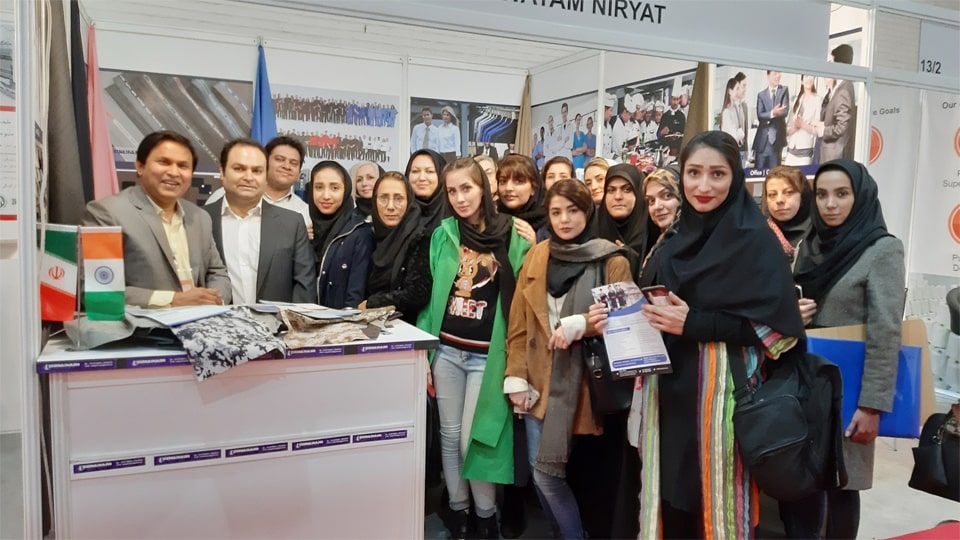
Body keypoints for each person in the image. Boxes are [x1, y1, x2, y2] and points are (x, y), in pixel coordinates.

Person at [625, 131, 805, 538]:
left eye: (717, 174)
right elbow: (657, 306)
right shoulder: (674, 239)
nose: (703, 186)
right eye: (693, 173)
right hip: (666, 396)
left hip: (722, 399)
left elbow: (779, 332)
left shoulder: (756, 240)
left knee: (717, 508)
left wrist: (695, 324)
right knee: (670, 504)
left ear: (735, 177)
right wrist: (617, 319)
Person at [505, 179, 631, 540]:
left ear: (587, 212)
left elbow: (625, 322)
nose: (564, 220)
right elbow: (519, 324)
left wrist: (581, 324)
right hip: (535, 382)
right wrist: (515, 376)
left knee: (550, 475)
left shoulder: (612, 259)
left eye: (573, 211)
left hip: (581, 385)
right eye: (556, 212)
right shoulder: (537, 254)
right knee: (539, 472)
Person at [417, 157, 532, 540]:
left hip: (488, 356)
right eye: (452, 191)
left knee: (474, 442)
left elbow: (524, 299)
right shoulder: (444, 233)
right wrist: (426, 352)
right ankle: (459, 511)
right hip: (447, 352)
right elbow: (432, 298)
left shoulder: (513, 233)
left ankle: (486, 518)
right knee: (449, 439)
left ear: (484, 188)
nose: (460, 198)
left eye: (467, 188)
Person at [794, 159, 904, 539]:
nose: (830, 204)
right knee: (799, 483)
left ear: (861, 197)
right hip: (802, 382)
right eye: (822, 194)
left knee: (841, 487)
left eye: (842, 194)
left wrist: (872, 406)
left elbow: (886, 331)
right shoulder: (807, 247)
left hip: (849, 389)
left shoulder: (882, 250)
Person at [81, 130, 231, 307]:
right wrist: (172, 300)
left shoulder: (200, 217)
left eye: (183, 166)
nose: (174, 172)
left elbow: (217, 273)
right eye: (164, 162)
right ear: (140, 166)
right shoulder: (107, 213)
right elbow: (97, 288)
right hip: (142, 323)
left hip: (201, 321)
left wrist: (213, 300)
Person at [204, 138, 315, 304]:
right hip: (214, 318)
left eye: (257, 171)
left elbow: (304, 285)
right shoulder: (201, 219)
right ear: (222, 171)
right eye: (239, 168)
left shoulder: (292, 222)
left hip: (277, 320)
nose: (248, 177)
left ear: (265, 176)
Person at [205, 135, 312, 237]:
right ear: (264, 164)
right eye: (279, 159)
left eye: (293, 163)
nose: (286, 166)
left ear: (299, 173)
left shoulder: (304, 211)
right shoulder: (224, 195)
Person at [361, 171, 431, 324]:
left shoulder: (420, 239)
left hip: (407, 330)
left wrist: (374, 303)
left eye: (398, 198)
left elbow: (417, 294)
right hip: (370, 327)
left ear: (409, 201)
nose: (390, 206)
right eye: (383, 198)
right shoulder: (368, 237)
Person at [307, 160, 373, 308]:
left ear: (346, 190)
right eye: (319, 187)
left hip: (341, 320)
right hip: (303, 319)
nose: (326, 195)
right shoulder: (306, 232)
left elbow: (355, 297)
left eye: (335, 188)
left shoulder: (359, 233)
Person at [597, 163, 654, 281]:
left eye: (627, 189)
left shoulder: (653, 233)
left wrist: (628, 256)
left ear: (639, 193)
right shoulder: (592, 231)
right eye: (611, 190)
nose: (618, 196)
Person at [762, 165, 813, 272]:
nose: (779, 200)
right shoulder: (759, 236)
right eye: (772, 194)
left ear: (803, 195)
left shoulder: (820, 235)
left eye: (789, 192)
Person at [816, 45, 857, 163]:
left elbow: (841, 127)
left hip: (835, 156)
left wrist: (824, 131)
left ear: (839, 65)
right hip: (832, 155)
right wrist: (823, 124)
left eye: (832, 63)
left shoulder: (844, 90)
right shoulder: (840, 87)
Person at [496, 154, 546, 245]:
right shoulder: (491, 215)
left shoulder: (550, 220)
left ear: (533, 188)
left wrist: (536, 245)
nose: (508, 188)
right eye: (503, 181)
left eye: (518, 181)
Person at [753, 70, 790, 170]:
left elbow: (785, 111)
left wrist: (770, 114)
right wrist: (773, 113)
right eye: (775, 74)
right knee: (758, 174)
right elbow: (760, 115)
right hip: (762, 143)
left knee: (775, 174)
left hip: (776, 143)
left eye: (779, 73)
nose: (778, 76)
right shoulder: (761, 95)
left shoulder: (784, 90)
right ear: (768, 76)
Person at [405, 149, 448, 232]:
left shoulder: (454, 213)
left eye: (429, 171)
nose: (422, 178)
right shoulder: (397, 210)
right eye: (415, 171)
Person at [784, 75, 821, 166]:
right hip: (791, 150)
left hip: (805, 152)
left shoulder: (818, 100)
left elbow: (817, 130)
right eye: (806, 76)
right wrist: (794, 128)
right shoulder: (797, 99)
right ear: (801, 81)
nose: (809, 78)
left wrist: (803, 125)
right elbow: (787, 129)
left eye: (812, 76)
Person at [720, 77, 748, 166]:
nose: (738, 92)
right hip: (729, 152)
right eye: (737, 89)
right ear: (730, 91)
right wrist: (739, 135)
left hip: (735, 150)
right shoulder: (726, 112)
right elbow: (734, 136)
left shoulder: (735, 110)